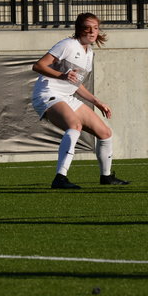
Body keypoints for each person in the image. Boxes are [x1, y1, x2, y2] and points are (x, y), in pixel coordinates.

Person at [32, 12, 129, 189]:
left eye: (95, 28)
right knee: (74, 125)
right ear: (79, 29)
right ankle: (60, 178)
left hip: (67, 97)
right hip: (47, 93)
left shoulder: (89, 53)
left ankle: (106, 176)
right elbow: (38, 65)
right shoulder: (68, 45)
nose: (92, 32)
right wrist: (62, 75)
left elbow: (76, 84)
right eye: (87, 28)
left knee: (105, 133)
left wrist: (97, 102)